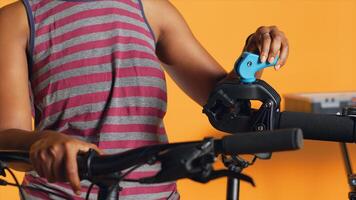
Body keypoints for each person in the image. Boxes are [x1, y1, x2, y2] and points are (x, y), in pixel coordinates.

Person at [0, 0, 289, 199]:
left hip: (156, 195)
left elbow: (228, 108)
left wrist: (252, 60)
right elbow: (5, 139)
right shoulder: (18, 20)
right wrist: (41, 142)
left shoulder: (151, 10)